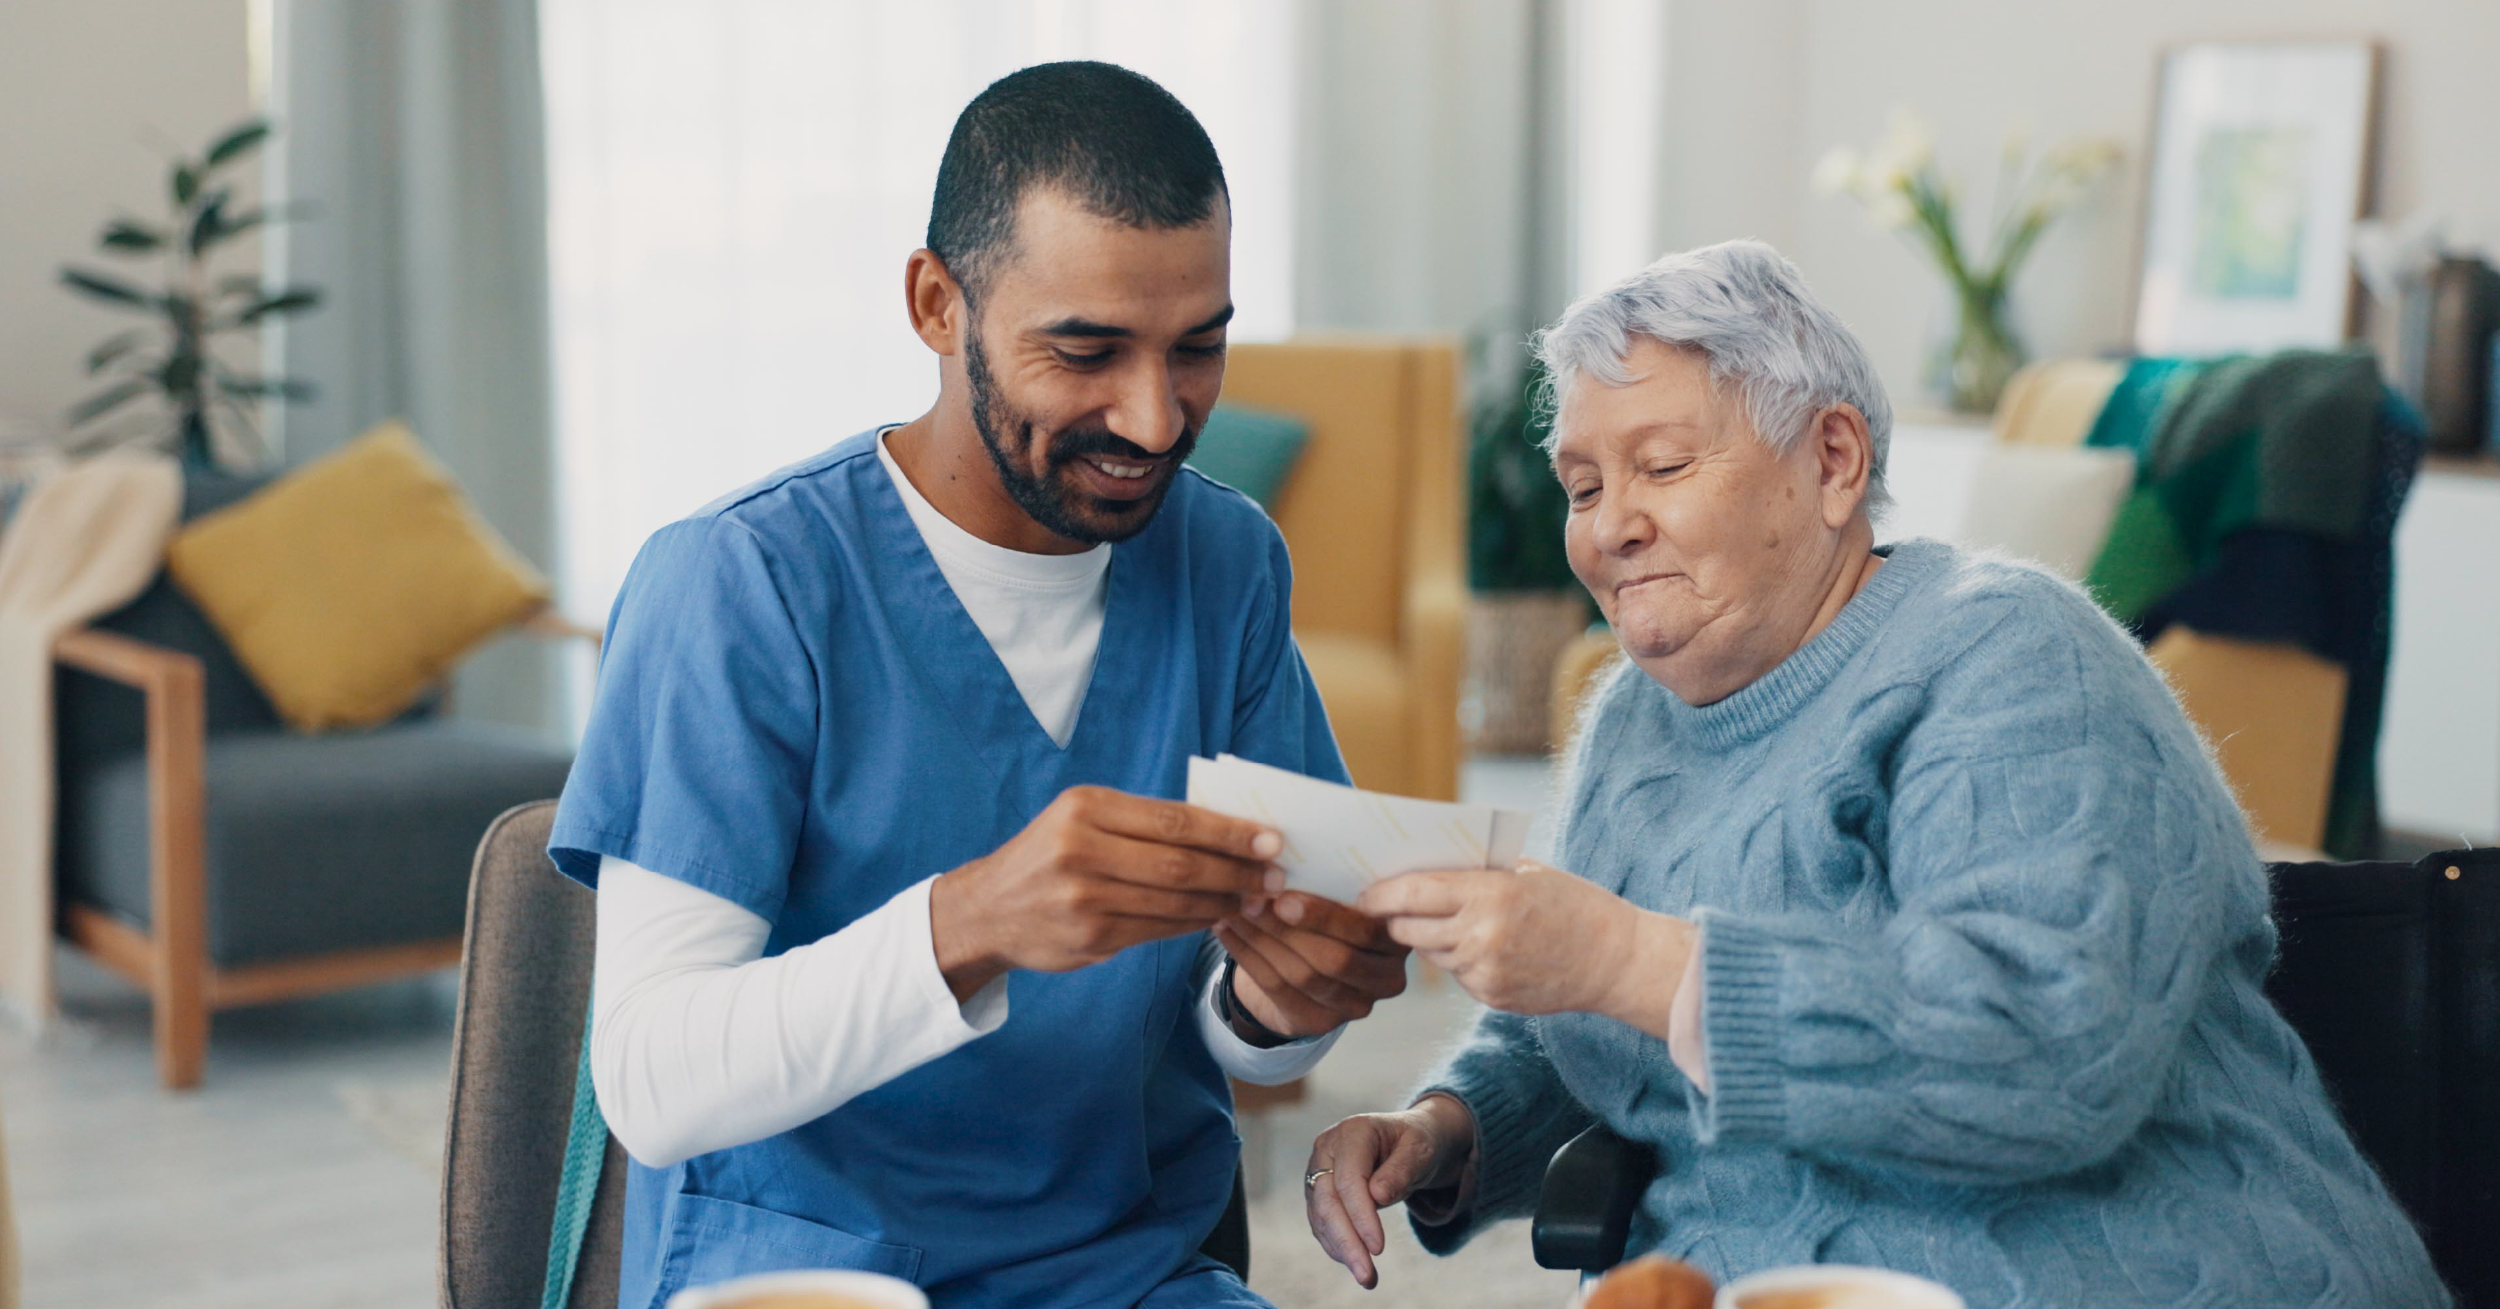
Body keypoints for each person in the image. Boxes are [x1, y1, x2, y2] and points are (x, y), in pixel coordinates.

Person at [1303, 240, 2446, 1306]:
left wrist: (1621, 953)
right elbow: (1585, 1006)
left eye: (1659, 465)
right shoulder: (1630, 719)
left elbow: (2048, 1055)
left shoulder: (2009, 655)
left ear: (1832, 461)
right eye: (1584, 486)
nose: (1608, 529)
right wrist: (1450, 1121)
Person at [552, 62, 1408, 1309]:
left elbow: (1243, 1026)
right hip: (809, 1277)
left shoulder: (1223, 565)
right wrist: (973, 922)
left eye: (1199, 349)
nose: (1157, 419)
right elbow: (652, 1080)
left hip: (1124, 1270)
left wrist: (1283, 1005)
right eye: (1086, 351)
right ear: (936, 304)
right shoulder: (740, 586)